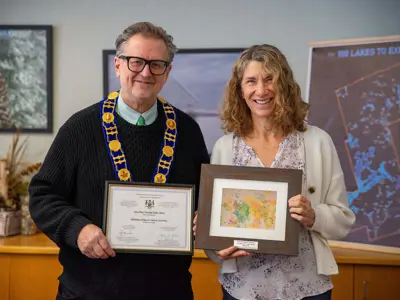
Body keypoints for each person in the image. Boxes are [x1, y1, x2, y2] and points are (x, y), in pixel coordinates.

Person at [29, 21, 209, 300]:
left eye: (156, 64)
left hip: (169, 291)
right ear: (118, 65)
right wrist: (78, 230)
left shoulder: (188, 130)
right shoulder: (79, 128)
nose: (146, 72)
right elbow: (42, 195)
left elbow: (204, 200)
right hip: (88, 292)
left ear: (167, 72)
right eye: (136, 62)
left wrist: (204, 218)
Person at [193, 44, 356, 300]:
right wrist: (216, 247)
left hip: (307, 287)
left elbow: (343, 219)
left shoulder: (317, 142)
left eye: (270, 79)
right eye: (251, 81)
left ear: (285, 85)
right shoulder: (225, 147)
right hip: (242, 288)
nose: (261, 90)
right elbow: (217, 230)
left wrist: (314, 216)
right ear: (240, 90)